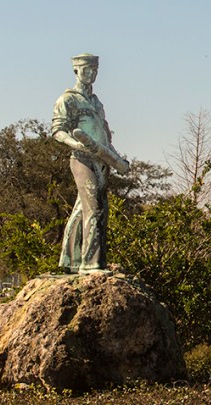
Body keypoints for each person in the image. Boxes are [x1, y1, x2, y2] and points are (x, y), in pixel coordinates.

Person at [52, 53, 130, 274]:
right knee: (93, 208)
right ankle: (91, 264)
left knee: (88, 210)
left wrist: (118, 160)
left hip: (102, 160)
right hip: (82, 159)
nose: (91, 74)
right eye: (86, 69)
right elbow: (58, 131)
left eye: (94, 70)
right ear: (76, 70)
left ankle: (71, 260)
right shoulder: (68, 99)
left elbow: (105, 136)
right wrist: (77, 145)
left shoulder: (96, 103)